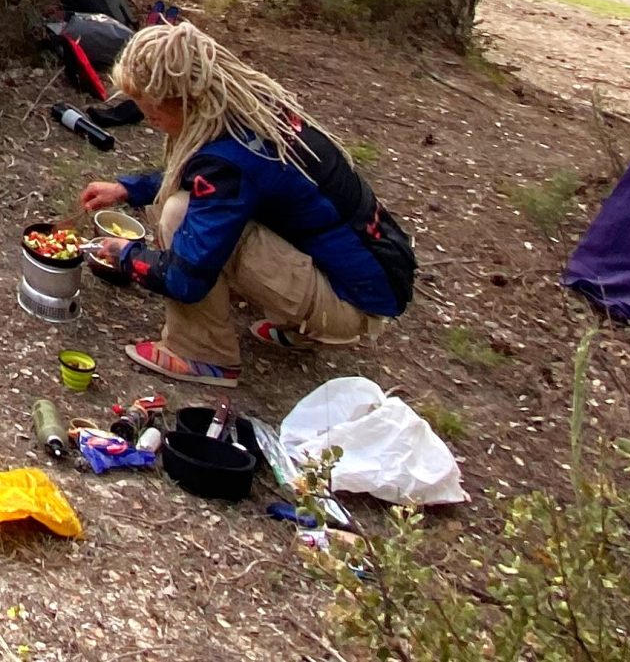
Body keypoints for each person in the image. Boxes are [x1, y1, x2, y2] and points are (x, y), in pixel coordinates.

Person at [78, 21, 413, 388]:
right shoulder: (246, 108)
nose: (150, 121)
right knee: (179, 202)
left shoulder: (231, 162)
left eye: (154, 113)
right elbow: (207, 181)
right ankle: (302, 322)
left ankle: (202, 353)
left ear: (187, 101)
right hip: (369, 271)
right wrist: (128, 189)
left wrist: (126, 255)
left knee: (177, 213)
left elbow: (184, 279)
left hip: (352, 303)